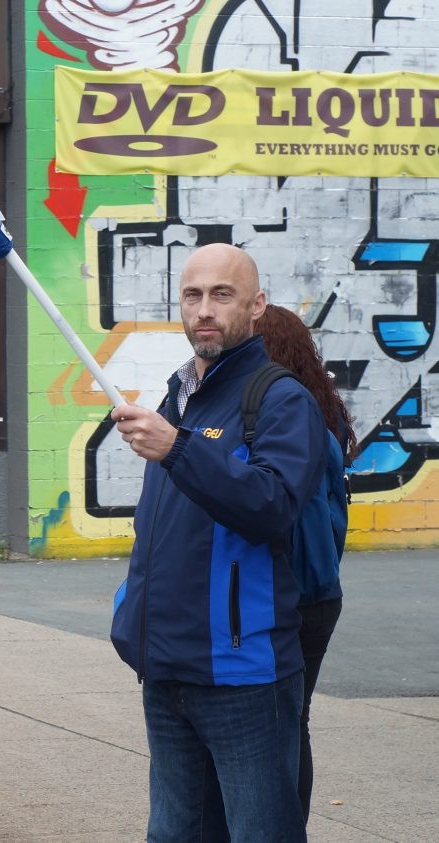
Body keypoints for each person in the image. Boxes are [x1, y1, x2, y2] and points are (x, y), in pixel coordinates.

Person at [109, 244, 326, 842]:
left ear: (256, 306)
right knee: (174, 833)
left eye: (222, 295)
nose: (204, 310)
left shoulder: (280, 400)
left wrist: (179, 448)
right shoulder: (178, 396)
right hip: (166, 668)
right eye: (193, 295)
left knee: (261, 832)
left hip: (243, 675)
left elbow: (272, 506)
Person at [255, 304, 354, 823]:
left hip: (287, 588)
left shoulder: (277, 414)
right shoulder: (327, 409)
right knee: (295, 719)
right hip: (322, 589)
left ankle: (278, 826)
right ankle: (291, 824)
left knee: (275, 722)